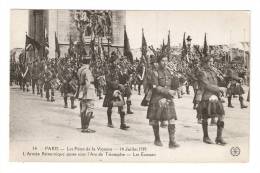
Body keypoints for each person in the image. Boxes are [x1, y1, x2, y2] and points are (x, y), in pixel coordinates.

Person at [147, 56, 179, 149]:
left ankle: (172, 142)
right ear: (158, 62)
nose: (165, 63)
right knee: (155, 119)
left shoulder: (169, 71)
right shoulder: (155, 73)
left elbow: (174, 85)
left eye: (166, 60)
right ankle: (157, 139)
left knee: (171, 118)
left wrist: (176, 76)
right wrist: (168, 91)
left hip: (168, 98)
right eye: (162, 61)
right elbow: (155, 87)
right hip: (157, 97)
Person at [197, 56, 226, 145]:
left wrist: (222, 79)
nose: (211, 63)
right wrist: (219, 88)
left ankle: (219, 137)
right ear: (205, 63)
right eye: (209, 61)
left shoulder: (213, 72)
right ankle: (205, 137)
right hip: (206, 96)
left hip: (216, 96)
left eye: (212, 61)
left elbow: (216, 83)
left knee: (221, 115)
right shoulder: (202, 73)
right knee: (205, 117)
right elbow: (207, 86)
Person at [102, 51, 130, 130]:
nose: (117, 63)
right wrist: (118, 85)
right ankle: (109, 122)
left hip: (118, 90)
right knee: (110, 107)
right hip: (111, 91)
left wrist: (126, 79)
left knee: (121, 107)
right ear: (112, 62)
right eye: (116, 61)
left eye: (117, 61)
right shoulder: (108, 70)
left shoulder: (118, 69)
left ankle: (122, 123)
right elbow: (108, 81)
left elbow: (121, 78)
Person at [76, 56, 96, 133]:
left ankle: (83, 126)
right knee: (90, 108)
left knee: (83, 109)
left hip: (82, 89)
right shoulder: (87, 71)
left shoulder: (80, 70)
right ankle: (86, 128)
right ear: (89, 62)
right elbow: (88, 83)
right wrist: (85, 92)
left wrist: (82, 92)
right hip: (88, 91)